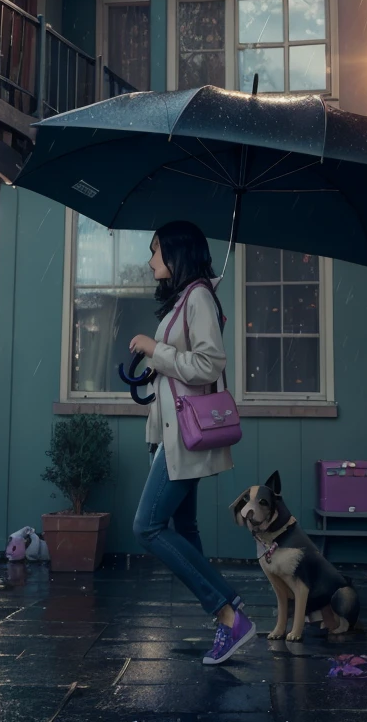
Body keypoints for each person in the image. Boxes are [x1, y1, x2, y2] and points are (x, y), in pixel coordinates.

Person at [130, 220, 255, 666]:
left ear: (177, 253)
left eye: (156, 250)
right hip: (173, 435)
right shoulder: (185, 299)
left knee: (146, 527)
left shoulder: (198, 296)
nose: (150, 261)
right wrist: (156, 362)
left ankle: (228, 613)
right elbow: (181, 370)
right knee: (185, 529)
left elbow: (209, 363)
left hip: (185, 437)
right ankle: (225, 618)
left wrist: (153, 347)